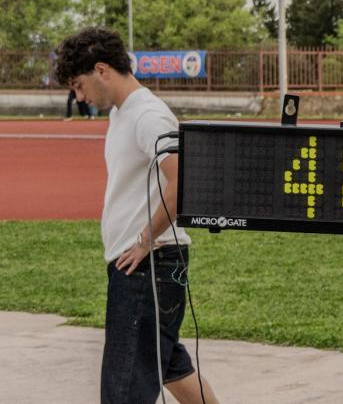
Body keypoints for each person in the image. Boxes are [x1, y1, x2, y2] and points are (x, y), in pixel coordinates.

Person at [54, 27, 220, 404]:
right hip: (144, 268)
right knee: (173, 369)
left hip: (149, 268)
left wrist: (145, 240)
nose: (78, 97)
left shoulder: (147, 115)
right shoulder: (123, 113)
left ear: (101, 70)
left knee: (123, 391)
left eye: (78, 85)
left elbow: (183, 181)